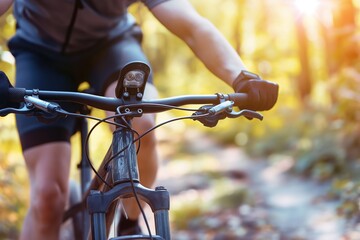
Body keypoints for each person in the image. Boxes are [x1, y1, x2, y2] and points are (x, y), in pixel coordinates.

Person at [0, 0, 279, 239]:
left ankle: (130, 224)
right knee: (48, 196)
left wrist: (242, 78)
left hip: (111, 46)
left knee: (142, 122)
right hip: (40, 53)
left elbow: (193, 27)